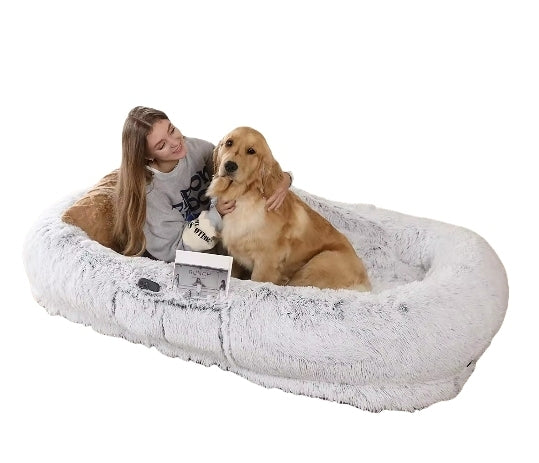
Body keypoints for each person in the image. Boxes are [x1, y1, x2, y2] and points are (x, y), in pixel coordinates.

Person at [113, 106, 292, 262]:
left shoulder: (199, 149)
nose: (175, 142)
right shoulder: (150, 191)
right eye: (162, 145)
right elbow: (174, 251)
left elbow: (238, 170)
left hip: (219, 242)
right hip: (177, 258)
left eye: (172, 130)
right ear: (147, 156)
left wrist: (284, 179)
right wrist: (217, 214)